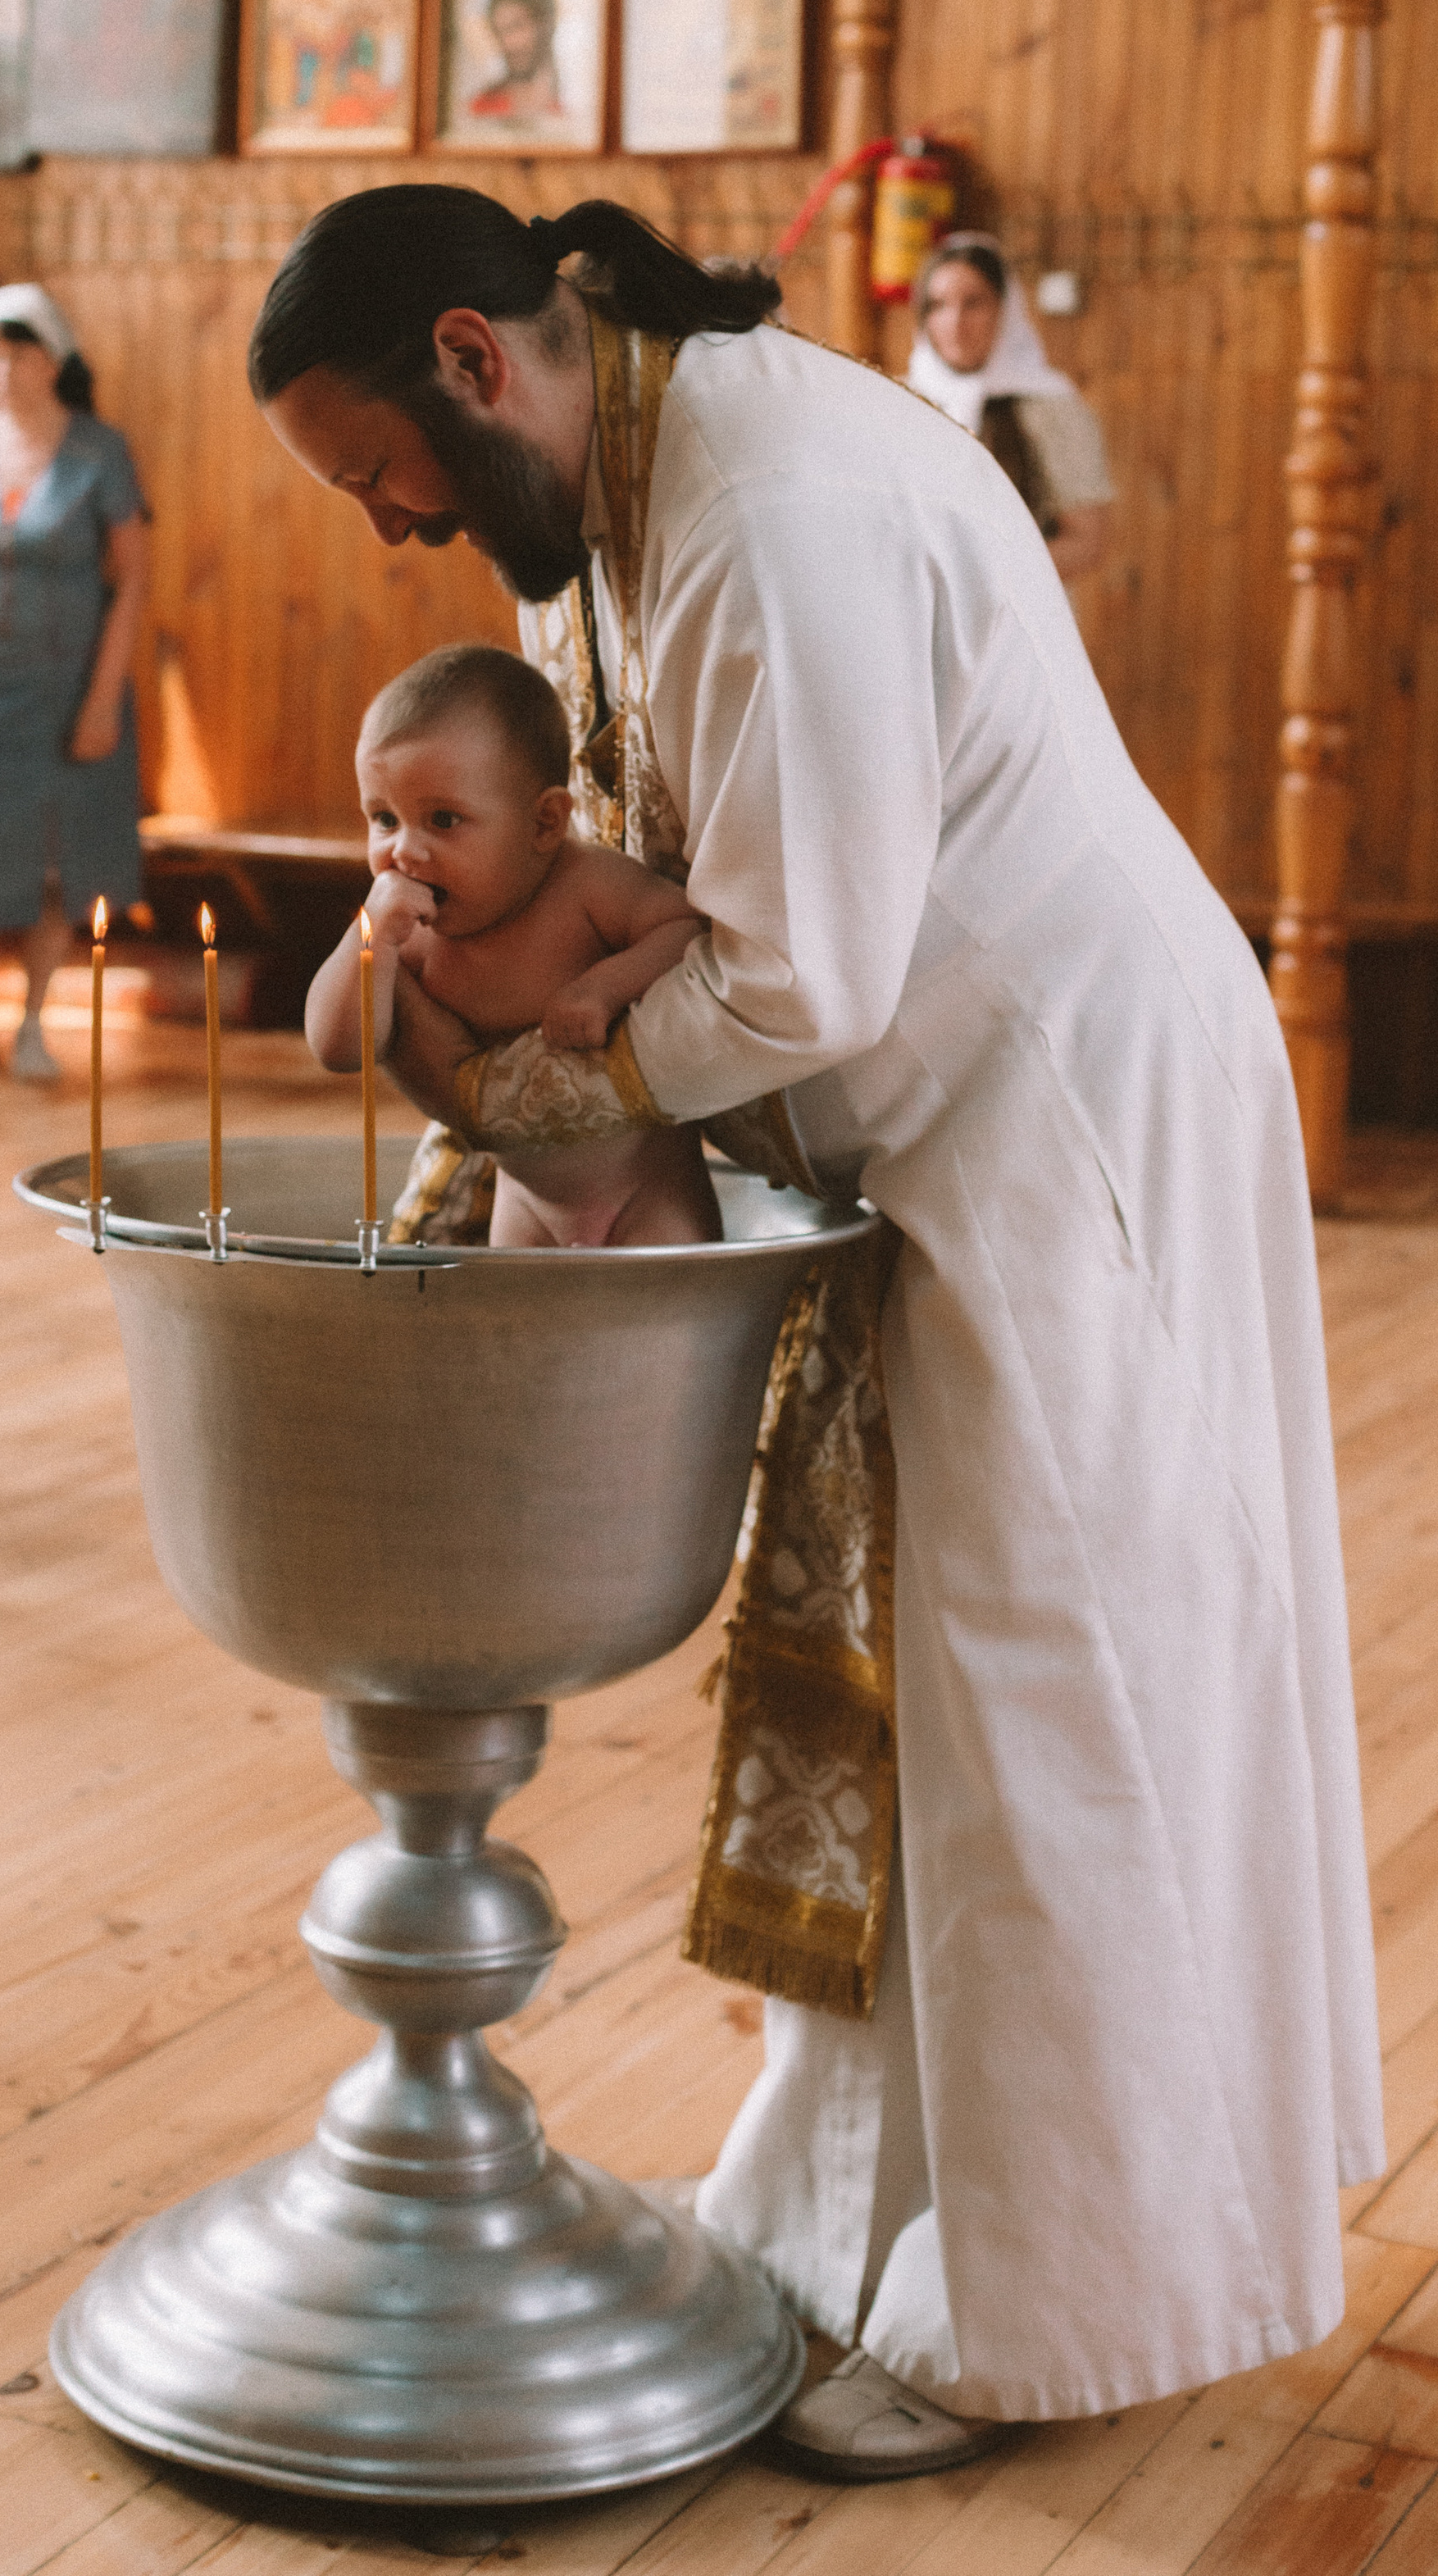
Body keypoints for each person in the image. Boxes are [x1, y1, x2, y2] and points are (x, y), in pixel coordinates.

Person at [248, 184, 1381, 2478]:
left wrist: (512, 1108)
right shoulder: (644, 488)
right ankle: (837, 2224)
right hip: (946, 1120)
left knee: (1034, 1686)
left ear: (480, 362)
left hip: (1061, 1112)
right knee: (907, 1705)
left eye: (383, 479)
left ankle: (1031, 2311)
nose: (389, 538)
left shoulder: (763, 501)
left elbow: (798, 973)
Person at [307, 644, 717, 1249]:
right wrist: (369, 944)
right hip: (527, 1204)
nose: (403, 852)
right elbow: (338, 1048)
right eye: (384, 819)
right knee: (524, 1342)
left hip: (649, 1193)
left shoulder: (585, 888)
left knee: (660, 1334)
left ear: (545, 824)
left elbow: (685, 930)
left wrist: (602, 987)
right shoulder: (411, 935)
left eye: (442, 820)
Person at [0, 284, 151, 1081]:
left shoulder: (97, 452)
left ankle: (37, 1023)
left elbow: (134, 579)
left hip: (65, 688)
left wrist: (102, 697)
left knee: (56, 856)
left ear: (52, 360)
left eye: (14, 351)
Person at [908, 232, 1114, 587]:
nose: (955, 323)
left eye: (973, 303)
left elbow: (1087, 541)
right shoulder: (901, 400)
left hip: (1015, 615)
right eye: (938, 305)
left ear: (1006, 310)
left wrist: (979, 580)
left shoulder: (1049, 407)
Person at [467, 0, 564, 132]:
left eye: (517, 27)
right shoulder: (484, 106)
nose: (508, 43)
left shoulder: (574, 104)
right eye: (500, 32)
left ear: (546, 25)